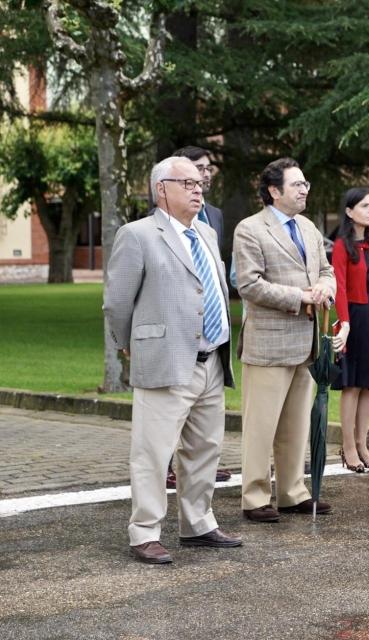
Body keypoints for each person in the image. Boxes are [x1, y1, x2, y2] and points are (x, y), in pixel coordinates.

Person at [103, 156, 241, 564]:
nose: (198, 189)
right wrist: (129, 343)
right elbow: (116, 302)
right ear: (161, 189)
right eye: (188, 183)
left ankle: (197, 523)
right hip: (165, 358)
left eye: (200, 183)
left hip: (212, 360)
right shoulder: (137, 235)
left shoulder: (206, 233)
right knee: (153, 452)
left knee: (204, 448)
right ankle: (144, 531)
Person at [233, 157, 336, 523]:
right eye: (297, 184)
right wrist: (300, 297)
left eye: (305, 184)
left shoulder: (308, 227)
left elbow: (327, 270)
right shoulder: (250, 229)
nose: (304, 189)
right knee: (261, 428)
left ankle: (293, 493)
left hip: (305, 344)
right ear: (274, 191)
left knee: (296, 426)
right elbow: (249, 284)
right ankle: (254, 497)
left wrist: (325, 287)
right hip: (269, 344)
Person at [166, 145, 231, 488]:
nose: (204, 175)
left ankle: (199, 469)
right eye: (197, 169)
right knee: (170, 415)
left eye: (207, 169)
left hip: (211, 336)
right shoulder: (157, 219)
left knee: (205, 421)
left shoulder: (213, 216)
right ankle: (168, 466)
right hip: (177, 332)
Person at [330, 188, 369, 472]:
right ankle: (347, 448)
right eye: (364, 206)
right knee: (353, 383)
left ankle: (362, 444)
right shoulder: (341, 246)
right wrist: (344, 323)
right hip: (355, 317)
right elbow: (340, 287)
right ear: (349, 211)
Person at [172, 146, 225, 250]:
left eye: (208, 168)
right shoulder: (168, 213)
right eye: (199, 168)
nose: (207, 174)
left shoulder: (216, 214)